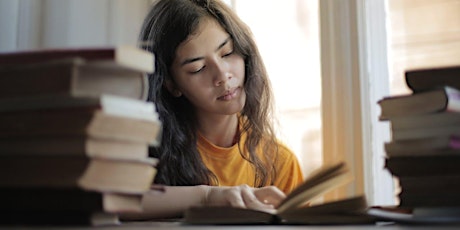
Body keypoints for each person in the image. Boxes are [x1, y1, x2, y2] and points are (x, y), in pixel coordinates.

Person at [129, 0, 305, 219]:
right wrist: (207, 196)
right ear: (171, 84)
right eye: (198, 68)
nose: (223, 75)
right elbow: (109, 202)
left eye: (227, 53)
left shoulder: (279, 162)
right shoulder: (143, 154)